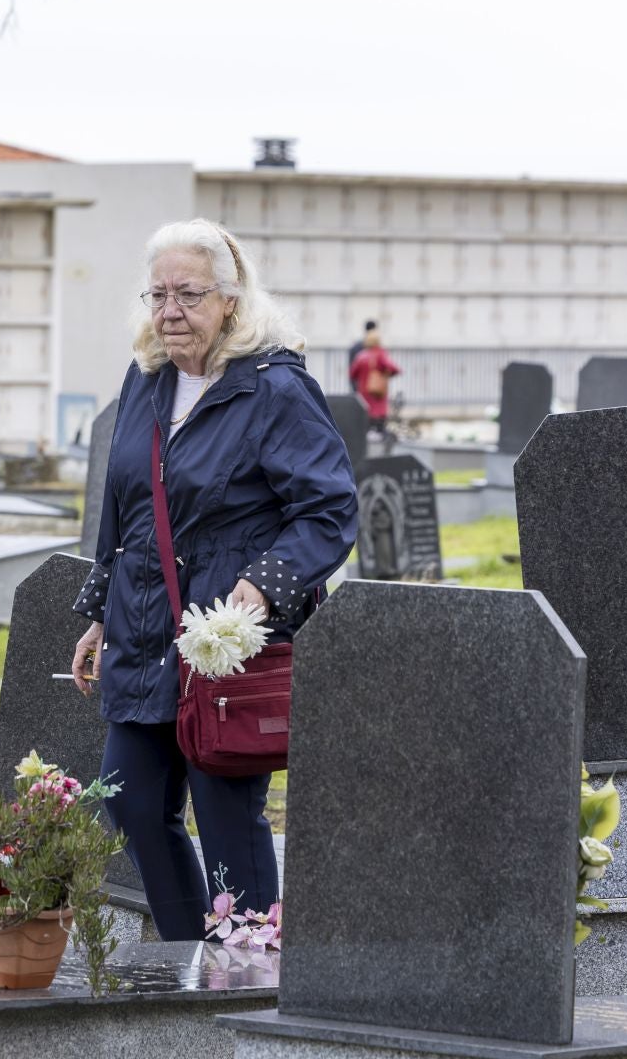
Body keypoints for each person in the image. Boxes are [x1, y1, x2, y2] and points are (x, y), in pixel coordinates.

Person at [68, 219, 357, 940]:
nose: (170, 311)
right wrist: (99, 612)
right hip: (143, 632)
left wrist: (264, 587)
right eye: (159, 294)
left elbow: (329, 509)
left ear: (231, 299)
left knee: (226, 816)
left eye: (189, 294)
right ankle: (188, 953)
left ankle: (250, 969)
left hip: (224, 641)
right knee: (131, 801)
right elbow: (124, 509)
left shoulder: (275, 387)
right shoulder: (145, 379)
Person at [348, 327, 401, 431]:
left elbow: (352, 374)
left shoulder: (361, 356)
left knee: (366, 428)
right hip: (378, 394)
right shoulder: (381, 354)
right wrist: (386, 374)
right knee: (379, 427)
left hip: (364, 394)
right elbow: (395, 369)